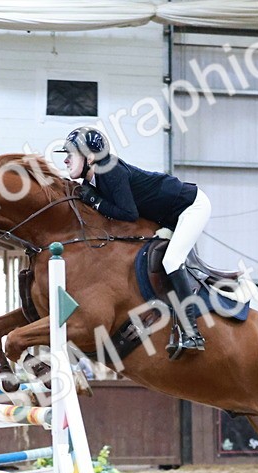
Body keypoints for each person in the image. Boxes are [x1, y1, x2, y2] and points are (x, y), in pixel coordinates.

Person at [57, 126, 210, 354]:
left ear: (90, 157)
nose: (67, 160)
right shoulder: (91, 182)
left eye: (71, 154)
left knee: (171, 261)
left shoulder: (111, 171)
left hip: (190, 207)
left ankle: (192, 333)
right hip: (166, 216)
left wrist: (96, 202)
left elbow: (129, 214)